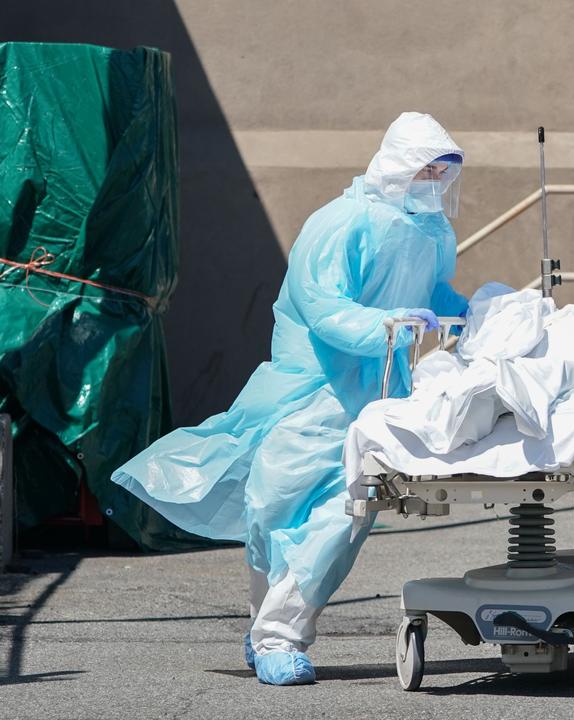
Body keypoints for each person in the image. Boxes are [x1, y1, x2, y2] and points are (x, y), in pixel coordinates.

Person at [112, 112, 470, 685]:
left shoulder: (430, 232)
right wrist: (389, 324)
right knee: (273, 511)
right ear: (400, 165)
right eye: (425, 168)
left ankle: (280, 636)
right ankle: (265, 630)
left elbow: (430, 292)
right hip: (312, 394)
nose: (433, 181)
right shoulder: (342, 223)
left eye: (441, 171)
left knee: (341, 517)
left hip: (377, 399)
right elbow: (322, 306)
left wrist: (461, 306)